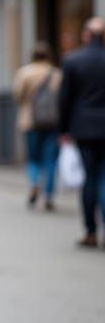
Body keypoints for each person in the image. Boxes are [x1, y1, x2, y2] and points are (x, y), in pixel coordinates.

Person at [59, 16, 105, 248]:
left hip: (84, 128)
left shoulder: (73, 60)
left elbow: (65, 99)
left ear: (87, 35)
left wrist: (64, 129)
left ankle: (91, 231)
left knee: (90, 179)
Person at [12, 43, 61, 211]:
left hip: (30, 121)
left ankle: (34, 184)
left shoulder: (24, 73)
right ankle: (48, 194)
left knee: (33, 158)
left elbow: (18, 95)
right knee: (50, 160)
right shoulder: (56, 74)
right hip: (52, 122)